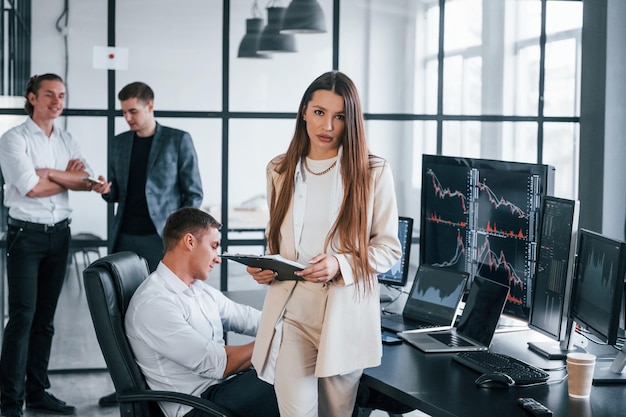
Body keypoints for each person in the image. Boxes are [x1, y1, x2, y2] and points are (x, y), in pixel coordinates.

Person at [246, 71, 402, 417]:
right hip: (293, 313)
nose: (327, 125)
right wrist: (266, 267)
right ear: (304, 112)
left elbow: (389, 248)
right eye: (319, 112)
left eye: (339, 116)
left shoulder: (373, 172)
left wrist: (339, 264)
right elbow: (277, 241)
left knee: (336, 414)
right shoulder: (280, 169)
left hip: (344, 317)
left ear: (352, 120)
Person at [0, 73, 108, 417]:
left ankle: (38, 393)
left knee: (45, 320)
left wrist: (50, 172)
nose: (57, 101)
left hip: (60, 234)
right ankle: (10, 401)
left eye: (61, 95)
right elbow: (30, 188)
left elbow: (88, 181)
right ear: (32, 97)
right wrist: (66, 177)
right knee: (22, 318)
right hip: (25, 236)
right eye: (49, 94)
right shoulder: (13, 139)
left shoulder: (66, 139)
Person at [124, 207, 279, 417]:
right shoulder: (154, 303)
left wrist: (293, 326)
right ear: (189, 241)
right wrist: (282, 339)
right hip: (198, 407)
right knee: (290, 376)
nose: (218, 258)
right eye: (214, 246)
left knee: (296, 369)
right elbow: (221, 364)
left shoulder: (199, 290)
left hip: (221, 391)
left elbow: (250, 319)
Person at [91, 81, 203, 272]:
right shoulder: (119, 143)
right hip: (124, 236)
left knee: (163, 297)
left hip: (162, 236)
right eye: (124, 112)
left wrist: (180, 232)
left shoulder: (177, 140)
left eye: (133, 111)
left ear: (150, 106)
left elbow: (194, 193)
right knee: (123, 297)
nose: (127, 117)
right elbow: (117, 190)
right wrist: (107, 190)